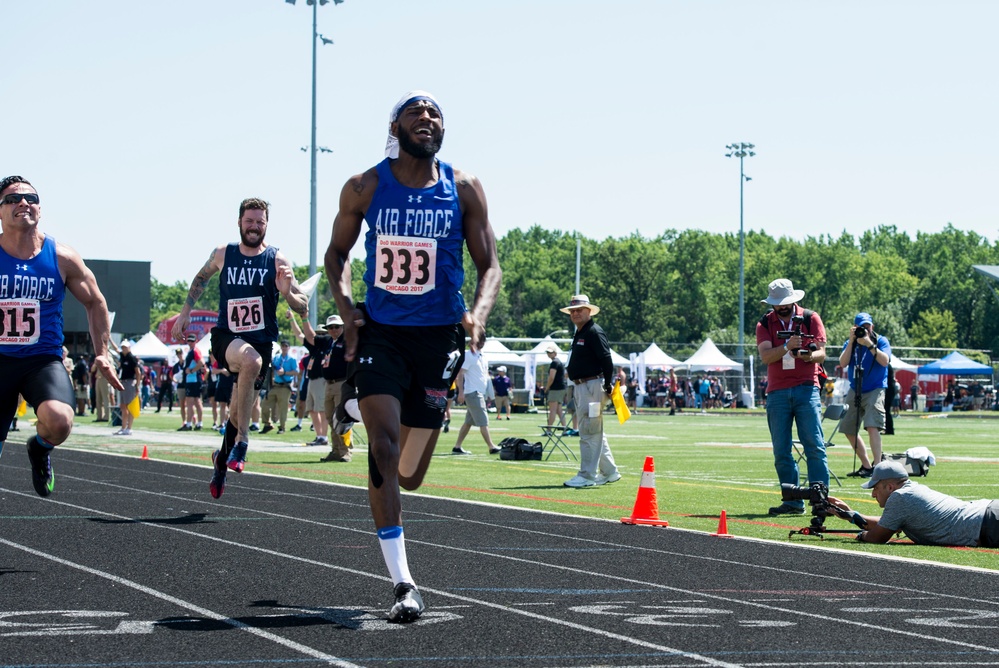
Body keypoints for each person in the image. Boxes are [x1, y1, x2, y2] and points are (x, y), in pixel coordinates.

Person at [324, 90, 501, 623]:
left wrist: (479, 313)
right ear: (395, 127)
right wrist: (347, 307)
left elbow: (490, 266)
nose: (427, 119)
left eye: (435, 114)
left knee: (410, 474)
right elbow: (336, 254)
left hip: (440, 338)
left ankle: (350, 409)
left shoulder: (463, 188)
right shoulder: (365, 186)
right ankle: (403, 583)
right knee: (382, 448)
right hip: (381, 334)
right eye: (415, 113)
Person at [172, 197, 309, 499]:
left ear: (266, 225)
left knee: (237, 412)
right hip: (227, 338)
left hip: (261, 342)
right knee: (251, 362)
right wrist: (185, 313)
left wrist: (287, 294)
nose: (254, 226)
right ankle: (243, 443)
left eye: (260, 222)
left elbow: (303, 305)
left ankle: (221, 459)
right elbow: (201, 277)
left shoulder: (277, 260)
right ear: (239, 222)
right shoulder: (224, 253)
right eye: (249, 221)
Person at [0, 175, 123, 495]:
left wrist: (101, 353)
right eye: (12, 199)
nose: (23, 202)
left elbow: (96, 302)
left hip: (41, 360)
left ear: (40, 209)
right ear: (0, 211)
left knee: (60, 422)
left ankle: (39, 449)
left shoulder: (61, 257)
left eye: (30, 197)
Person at [755, 278, 830, 515]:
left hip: (806, 388)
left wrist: (809, 355)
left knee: (815, 446)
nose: (782, 307)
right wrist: (787, 346)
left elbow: (822, 354)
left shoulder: (810, 318)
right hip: (777, 391)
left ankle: (821, 501)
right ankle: (792, 501)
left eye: (785, 303)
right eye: (778, 304)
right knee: (781, 450)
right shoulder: (765, 322)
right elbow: (766, 357)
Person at [826, 460, 999, 547]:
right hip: (987, 513)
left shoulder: (899, 497)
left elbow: (877, 537)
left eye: (876, 488)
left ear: (890, 487)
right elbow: (887, 523)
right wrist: (851, 515)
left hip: (988, 523)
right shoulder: (910, 491)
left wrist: (861, 535)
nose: (873, 494)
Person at [561, 294, 621, 489]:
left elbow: (606, 358)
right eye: (573, 310)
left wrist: (607, 384)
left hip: (591, 385)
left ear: (589, 311)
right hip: (583, 386)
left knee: (588, 430)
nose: (575, 313)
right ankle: (610, 471)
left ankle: (587, 475)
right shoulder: (582, 331)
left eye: (579, 310)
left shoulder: (594, 332)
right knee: (594, 430)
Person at [837, 312, 891, 478]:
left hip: (875, 388)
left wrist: (868, 344)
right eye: (861, 327)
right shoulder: (851, 343)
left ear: (872, 326)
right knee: (848, 427)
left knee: (872, 425)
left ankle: (878, 469)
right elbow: (843, 363)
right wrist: (852, 341)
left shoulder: (880, 341)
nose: (865, 329)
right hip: (856, 388)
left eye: (867, 326)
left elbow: (885, 361)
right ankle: (867, 466)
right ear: (855, 328)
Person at [451, 348, 499, 455]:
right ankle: (491, 446)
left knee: (468, 423)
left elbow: (485, 377)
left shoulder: (483, 356)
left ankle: (457, 447)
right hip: (473, 393)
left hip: (479, 392)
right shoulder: (468, 355)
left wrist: (489, 392)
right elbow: (461, 373)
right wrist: (461, 392)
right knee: (484, 421)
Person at [260, 339, 298, 435]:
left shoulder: (292, 359)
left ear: (288, 347)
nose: (284, 348)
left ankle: (282, 427)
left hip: (285, 386)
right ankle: (267, 424)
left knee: (283, 408)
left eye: (286, 346)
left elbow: (296, 372)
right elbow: (272, 370)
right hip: (275, 385)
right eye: (283, 346)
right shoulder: (276, 358)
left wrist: (285, 372)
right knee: (264, 404)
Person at [177, 334, 205, 431]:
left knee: (191, 402)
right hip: (191, 380)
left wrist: (192, 370)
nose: (190, 342)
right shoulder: (191, 351)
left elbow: (201, 362)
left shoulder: (195, 351)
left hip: (193, 380)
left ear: (195, 341)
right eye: (189, 341)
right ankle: (198, 423)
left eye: (192, 341)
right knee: (196, 401)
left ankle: (189, 424)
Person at [543, 345, 567, 428]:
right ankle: (564, 427)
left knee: (552, 409)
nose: (549, 354)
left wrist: (547, 387)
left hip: (555, 389)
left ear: (555, 353)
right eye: (548, 352)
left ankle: (549, 429)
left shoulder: (554, 363)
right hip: (561, 388)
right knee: (559, 410)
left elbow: (551, 377)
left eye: (551, 352)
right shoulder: (558, 362)